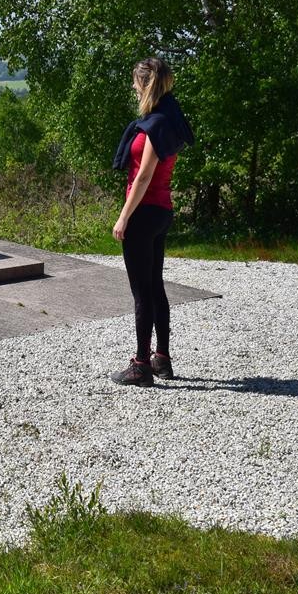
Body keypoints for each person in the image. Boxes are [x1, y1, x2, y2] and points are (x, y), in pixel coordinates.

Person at [109, 57, 194, 386]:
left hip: (144, 213)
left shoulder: (156, 125)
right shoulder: (170, 119)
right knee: (155, 286)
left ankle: (141, 365)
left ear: (144, 84)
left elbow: (143, 176)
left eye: (135, 81)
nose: (132, 87)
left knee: (142, 291)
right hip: (162, 211)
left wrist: (123, 216)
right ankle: (162, 358)